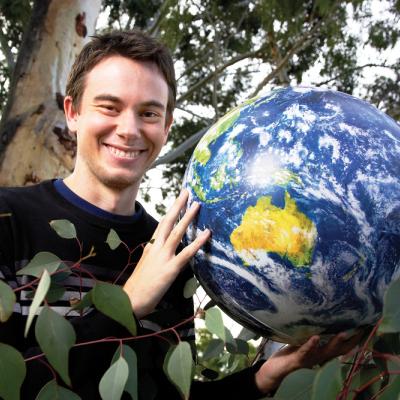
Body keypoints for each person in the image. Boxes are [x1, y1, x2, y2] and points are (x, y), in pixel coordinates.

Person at [0, 30, 362, 399]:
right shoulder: (7, 220)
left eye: (149, 113)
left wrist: (264, 378)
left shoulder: (175, 250)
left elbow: (170, 394)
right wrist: (128, 305)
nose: (129, 129)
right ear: (73, 113)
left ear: (167, 126)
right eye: (109, 107)